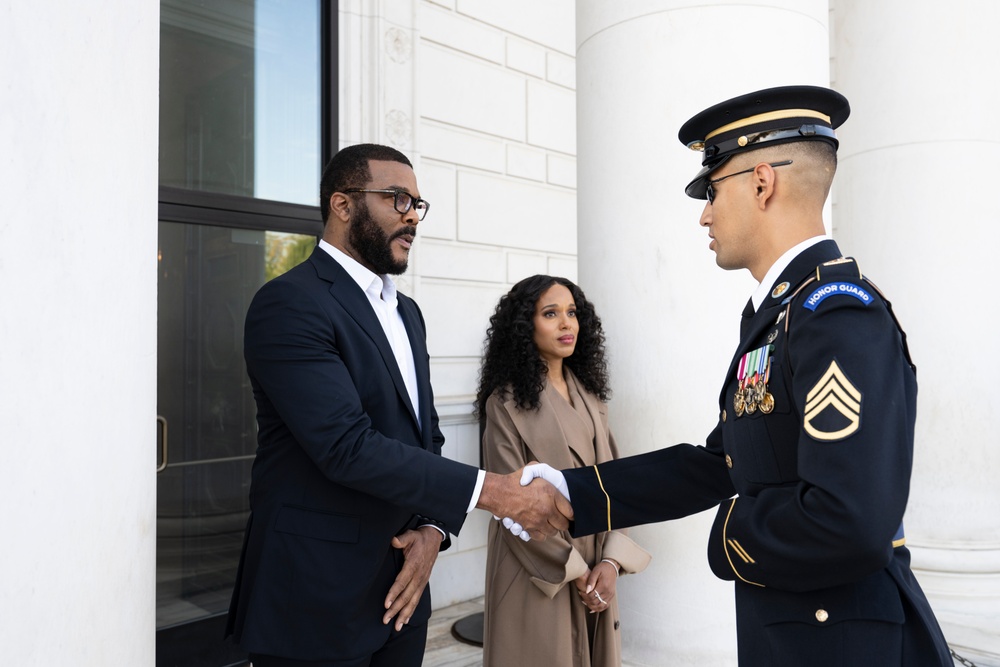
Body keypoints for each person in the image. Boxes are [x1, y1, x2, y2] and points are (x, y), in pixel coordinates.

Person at [518, 86, 953, 665]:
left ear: (761, 183)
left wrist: (729, 533)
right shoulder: (782, 312)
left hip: (840, 642)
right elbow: (722, 461)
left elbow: (849, 519)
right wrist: (574, 492)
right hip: (794, 631)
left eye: (711, 190)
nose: (704, 213)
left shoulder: (836, 313)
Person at [224, 143, 572, 667]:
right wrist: (495, 492)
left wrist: (434, 530)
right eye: (396, 199)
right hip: (314, 598)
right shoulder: (289, 303)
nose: (412, 216)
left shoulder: (406, 312)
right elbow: (345, 447)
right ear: (342, 205)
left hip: (404, 590)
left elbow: (424, 435)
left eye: (417, 204)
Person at [476, 275, 650, 666]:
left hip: (594, 562)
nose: (566, 323)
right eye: (550, 314)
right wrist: (576, 571)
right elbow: (510, 506)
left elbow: (617, 486)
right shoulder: (503, 404)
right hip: (536, 564)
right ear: (525, 326)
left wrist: (609, 563)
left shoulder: (590, 398)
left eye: (572, 313)